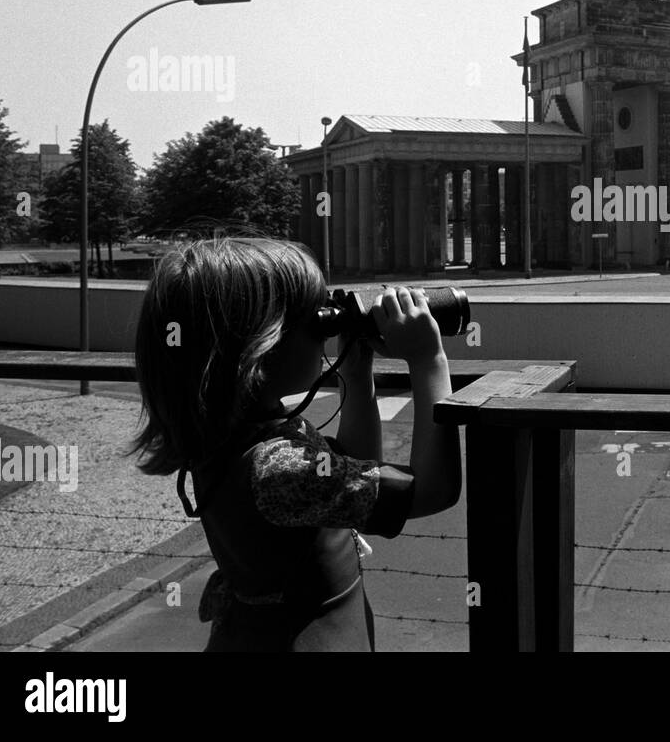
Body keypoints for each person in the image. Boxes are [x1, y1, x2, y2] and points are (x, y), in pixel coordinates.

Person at [129, 238, 459, 651]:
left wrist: (357, 381)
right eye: (314, 321)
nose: (326, 330)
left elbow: (349, 487)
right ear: (259, 347)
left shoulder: (241, 433)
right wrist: (429, 361)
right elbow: (432, 490)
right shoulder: (277, 468)